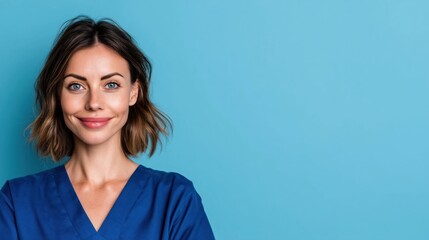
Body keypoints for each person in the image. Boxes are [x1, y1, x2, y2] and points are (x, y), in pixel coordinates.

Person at [0, 16, 215, 240]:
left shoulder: (176, 200)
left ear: (133, 92)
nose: (94, 102)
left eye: (111, 85)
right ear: (57, 95)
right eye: (76, 86)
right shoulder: (16, 203)